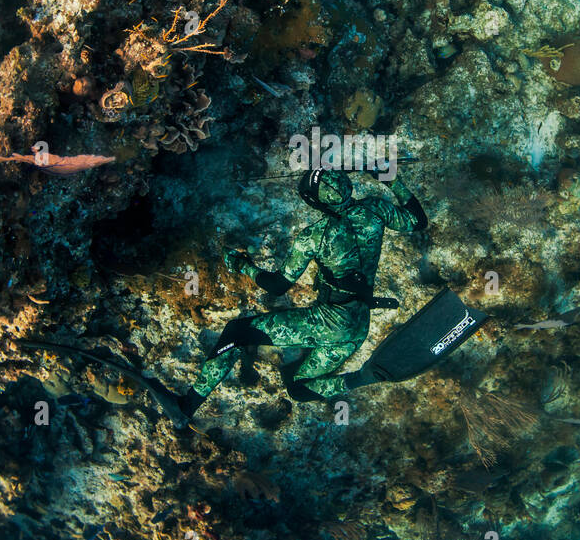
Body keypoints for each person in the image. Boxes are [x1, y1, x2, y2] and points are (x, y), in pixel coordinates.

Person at [170, 165, 428, 422]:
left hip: (331, 320)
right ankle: (363, 377)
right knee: (297, 386)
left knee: (236, 332)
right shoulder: (375, 208)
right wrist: (391, 179)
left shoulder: (314, 237)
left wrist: (242, 266)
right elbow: (418, 220)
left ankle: (186, 405)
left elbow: (277, 286)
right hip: (359, 323)